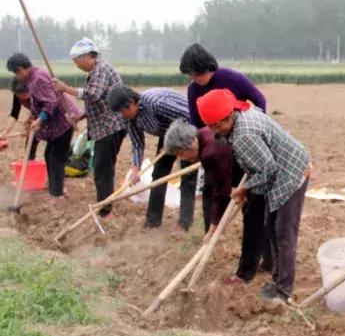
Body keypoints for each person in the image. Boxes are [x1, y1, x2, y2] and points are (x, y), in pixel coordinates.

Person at [197, 89, 310, 303]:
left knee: (283, 232)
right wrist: (249, 187)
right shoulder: (243, 113)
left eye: (215, 125)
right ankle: (277, 277)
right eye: (210, 126)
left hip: (291, 173)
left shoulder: (243, 136)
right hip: (281, 168)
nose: (213, 131)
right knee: (270, 225)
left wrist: (245, 189)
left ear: (227, 117)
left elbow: (268, 169)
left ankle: (283, 289)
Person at [180, 42, 271, 266]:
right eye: (191, 75)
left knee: (252, 203)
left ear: (208, 67)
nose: (195, 79)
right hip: (216, 148)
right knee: (212, 191)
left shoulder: (232, 78)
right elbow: (196, 123)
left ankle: (266, 257)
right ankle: (209, 239)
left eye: (198, 74)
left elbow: (259, 100)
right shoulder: (193, 89)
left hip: (242, 146)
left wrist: (250, 130)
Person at [163, 119, 273, 284]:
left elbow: (221, 191)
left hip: (259, 173)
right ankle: (270, 262)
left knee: (252, 224)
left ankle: (244, 275)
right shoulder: (204, 134)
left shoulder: (211, 151)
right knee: (259, 221)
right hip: (249, 172)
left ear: (190, 143)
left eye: (180, 153)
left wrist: (214, 224)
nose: (181, 158)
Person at [52, 39, 126, 216]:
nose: (76, 64)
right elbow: (98, 101)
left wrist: (65, 88)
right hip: (104, 127)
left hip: (110, 126)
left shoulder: (101, 69)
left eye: (77, 59)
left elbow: (92, 94)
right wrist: (80, 116)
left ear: (89, 56)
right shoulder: (95, 72)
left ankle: (105, 207)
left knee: (102, 167)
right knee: (103, 167)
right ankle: (106, 201)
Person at [106, 85, 191, 229]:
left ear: (132, 102)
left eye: (123, 110)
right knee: (158, 175)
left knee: (188, 175)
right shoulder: (128, 117)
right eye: (119, 112)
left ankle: (185, 222)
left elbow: (189, 117)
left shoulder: (156, 103)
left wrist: (176, 141)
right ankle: (152, 221)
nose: (122, 115)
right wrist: (135, 168)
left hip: (187, 132)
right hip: (167, 136)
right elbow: (137, 143)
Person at [6, 55, 77, 197]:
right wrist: (32, 118)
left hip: (63, 120)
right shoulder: (33, 78)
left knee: (56, 158)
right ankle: (55, 189)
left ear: (20, 70)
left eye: (15, 73)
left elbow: (50, 103)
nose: (17, 76)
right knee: (49, 155)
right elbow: (38, 102)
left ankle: (57, 194)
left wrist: (40, 120)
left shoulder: (37, 79)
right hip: (55, 122)